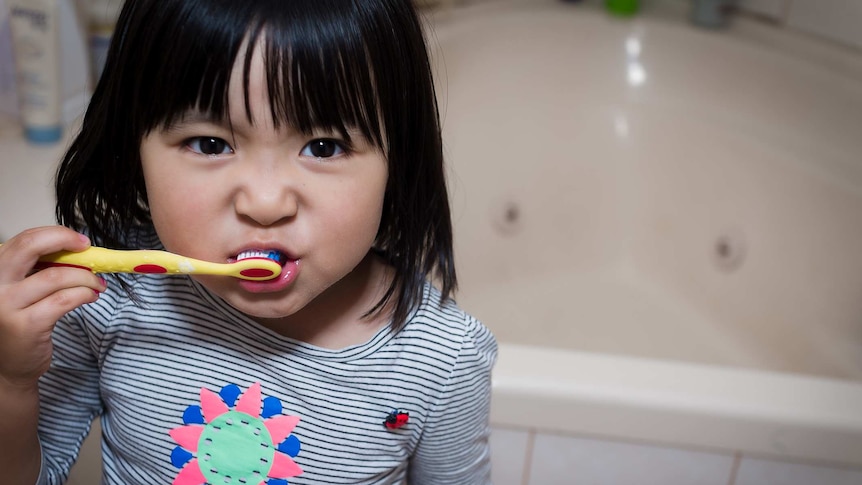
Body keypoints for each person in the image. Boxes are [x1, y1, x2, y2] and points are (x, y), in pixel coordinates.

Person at [0, 0, 497, 483]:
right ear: (133, 150)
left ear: (399, 161)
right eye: (211, 144)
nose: (264, 202)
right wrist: (11, 382)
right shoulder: (108, 299)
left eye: (324, 147)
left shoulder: (443, 361)